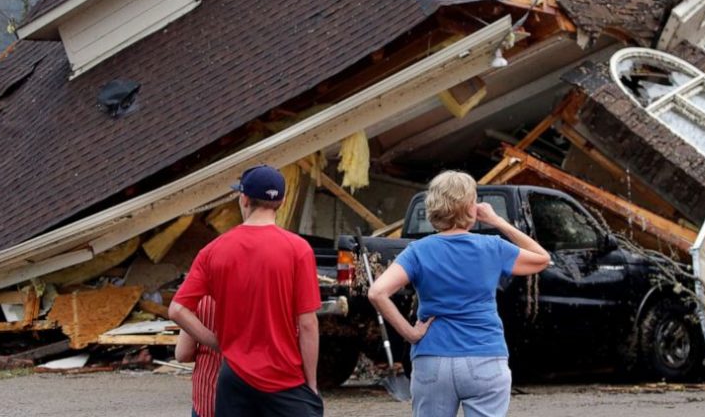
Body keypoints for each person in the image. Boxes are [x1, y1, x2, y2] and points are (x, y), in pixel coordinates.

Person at [368, 171, 551, 417]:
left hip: (432, 358)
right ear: (471, 207)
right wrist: (497, 221)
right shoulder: (492, 247)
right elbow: (542, 259)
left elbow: (377, 292)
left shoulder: (418, 251)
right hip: (484, 356)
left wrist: (411, 334)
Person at [169, 165, 323, 417]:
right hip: (284, 377)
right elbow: (307, 324)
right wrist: (312, 382)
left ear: (243, 198)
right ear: (281, 202)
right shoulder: (298, 250)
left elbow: (177, 310)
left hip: (235, 378)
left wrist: (216, 342)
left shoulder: (213, 250)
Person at [175, 296, 223, 417]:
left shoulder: (199, 297)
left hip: (209, 399)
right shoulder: (266, 291)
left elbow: (183, 354)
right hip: (258, 398)